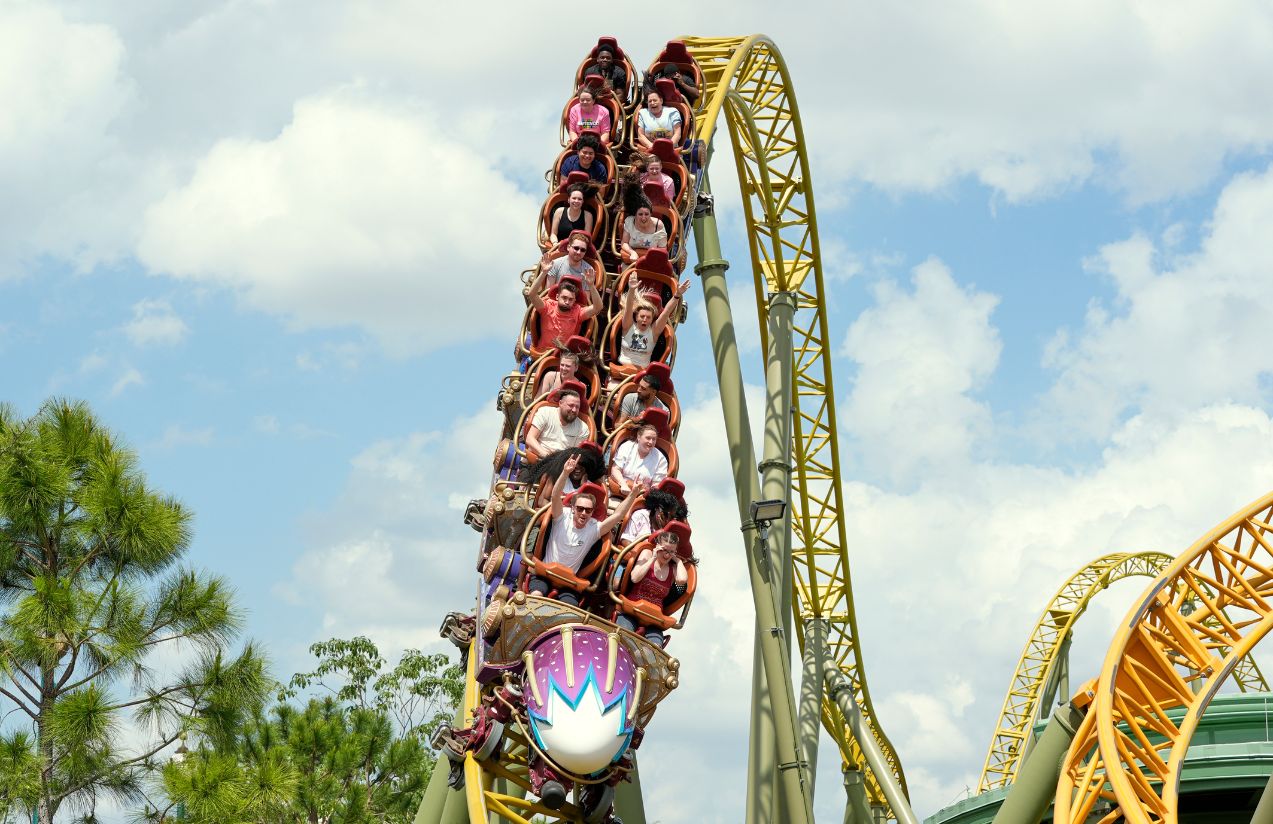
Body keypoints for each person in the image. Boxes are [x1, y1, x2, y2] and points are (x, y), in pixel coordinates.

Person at [531, 455, 640, 605]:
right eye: (580, 509)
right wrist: (565, 473)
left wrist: (633, 494)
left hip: (568, 582)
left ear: (592, 512)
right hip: (546, 573)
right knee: (537, 595)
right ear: (573, 508)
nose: (583, 513)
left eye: (588, 510)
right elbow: (556, 495)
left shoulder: (594, 528)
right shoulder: (562, 517)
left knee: (569, 610)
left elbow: (618, 515)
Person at [616, 527, 690, 643]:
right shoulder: (647, 554)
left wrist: (678, 560)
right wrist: (653, 558)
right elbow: (635, 578)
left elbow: (682, 580)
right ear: (657, 546)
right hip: (632, 610)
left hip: (654, 619)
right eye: (664, 550)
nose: (666, 555)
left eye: (671, 552)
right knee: (625, 639)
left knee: (655, 648)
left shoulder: (673, 567)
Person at [617, 277, 690, 370]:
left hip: (642, 373)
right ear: (636, 317)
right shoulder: (628, 326)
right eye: (642, 316)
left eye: (648, 317)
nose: (645, 319)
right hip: (622, 369)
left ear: (652, 320)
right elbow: (629, 307)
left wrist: (677, 295)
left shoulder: (653, 332)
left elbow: (666, 312)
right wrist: (631, 289)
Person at [526, 268, 602, 353]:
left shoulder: (578, 311)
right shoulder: (547, 306)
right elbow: (532, 294)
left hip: (565, 355)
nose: (567, 302)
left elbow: (598, 307)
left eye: (570, 299)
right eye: (564, 298)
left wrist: (591, 285)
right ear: (557, 297)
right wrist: (544, 273)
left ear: (574, 301)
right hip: (543, 352)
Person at [525, 388, 588, 460]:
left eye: (577, 407)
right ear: (560, 403)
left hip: (559, 466)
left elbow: (574, 456)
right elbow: (530, 439)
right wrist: (547, 457)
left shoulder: (583, 428)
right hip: (536, 459)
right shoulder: (545, 412)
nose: (574, 410)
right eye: (571, 405)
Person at [609, 423, 668, 493]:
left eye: (654, 439)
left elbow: (656, 485)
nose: (651, 442)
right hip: (619, 489)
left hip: (641, 495)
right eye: (648, 438)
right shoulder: (627, 446)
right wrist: (623, 485)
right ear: (639, 437)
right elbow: (615, 469)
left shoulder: (661, 459)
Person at [619, 484, 683, 543]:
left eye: (671, 517)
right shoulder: (640, 515)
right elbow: (625, 540)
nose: (668, 520)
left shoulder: (669, 529)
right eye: (665, 515)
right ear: (657, 508)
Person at [620, 199, 668, 264]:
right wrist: (632, 252)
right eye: (640, 214)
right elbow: (624, 242)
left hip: (651, 261)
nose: (643, 218)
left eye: (646, 214)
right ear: (635, 214)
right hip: (631, 259)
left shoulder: (659, 226)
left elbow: (662, 249)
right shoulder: (630, 221)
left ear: (651, 214)